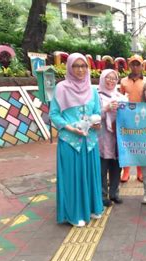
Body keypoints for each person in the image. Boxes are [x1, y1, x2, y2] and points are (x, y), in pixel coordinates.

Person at [49, 53, 103, 227]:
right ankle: (74, 214)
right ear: (69, 68)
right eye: (76, 66)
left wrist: (96, 122)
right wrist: (70, 128)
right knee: (72, 178)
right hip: (70, 141)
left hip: (90, 141)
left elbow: (98, 111)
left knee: (90, 175)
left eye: (83, 66)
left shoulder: (92, 89)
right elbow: (54, 114)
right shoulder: (61, 87)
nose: (80, 70)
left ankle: (92, 208)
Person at [119, 54, 146, 183]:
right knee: (126, 144)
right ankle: (126, 171)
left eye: (138, 64)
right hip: (127, 117)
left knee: (140, 145)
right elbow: (119, 98)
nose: (136, 66)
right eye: (133, 64)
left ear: (142, 66)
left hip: (142, 117)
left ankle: (140, 171)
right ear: (129, 65)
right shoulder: (123, 81)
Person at [97, 69, 124, 206]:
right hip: (102, 136)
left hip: (118, 137)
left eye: (114, 78)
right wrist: (105, 109)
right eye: (108, 78)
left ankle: (114, 193)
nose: (111, 81)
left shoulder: (120, 96)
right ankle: (102, 196)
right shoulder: (96, 97)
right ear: (102, 79)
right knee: (102, 168)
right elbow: (92, 116)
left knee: (116, 166)